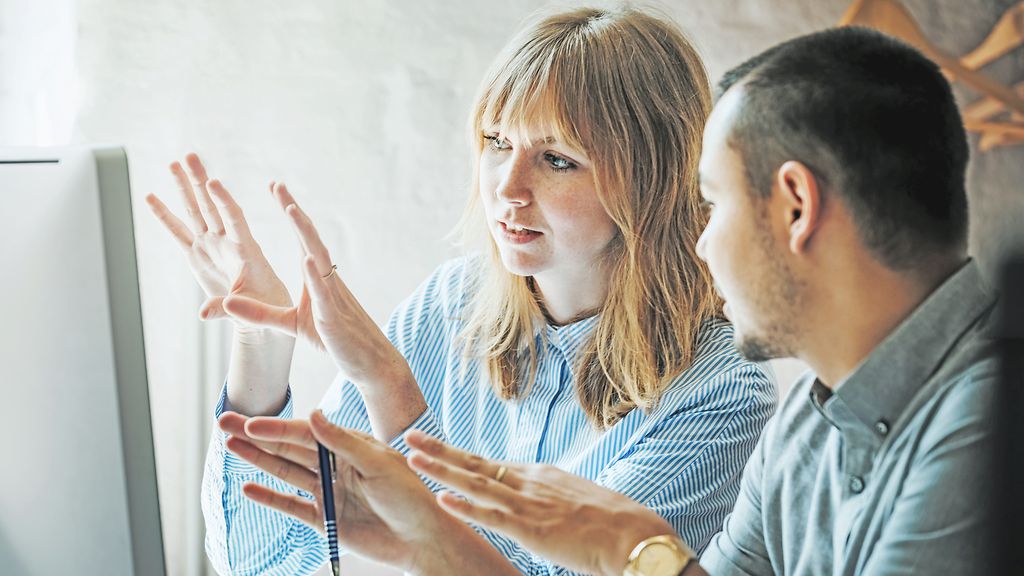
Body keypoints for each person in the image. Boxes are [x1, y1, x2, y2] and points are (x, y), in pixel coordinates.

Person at [219, 24, 999, 576]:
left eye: (713, 203)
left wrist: (629, 553)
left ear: (795, 207)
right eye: (496, 143)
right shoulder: (816, 417)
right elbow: (265, 557)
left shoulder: (988, 425)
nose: (700, 242)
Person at [145, 6, 777, 575]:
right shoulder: (450, 305)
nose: (507, 187)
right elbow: (263, 563)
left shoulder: (722, 389)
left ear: (652, 178)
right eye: (496, 143)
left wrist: (391, 391)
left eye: (557, 158)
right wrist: (260, 341)